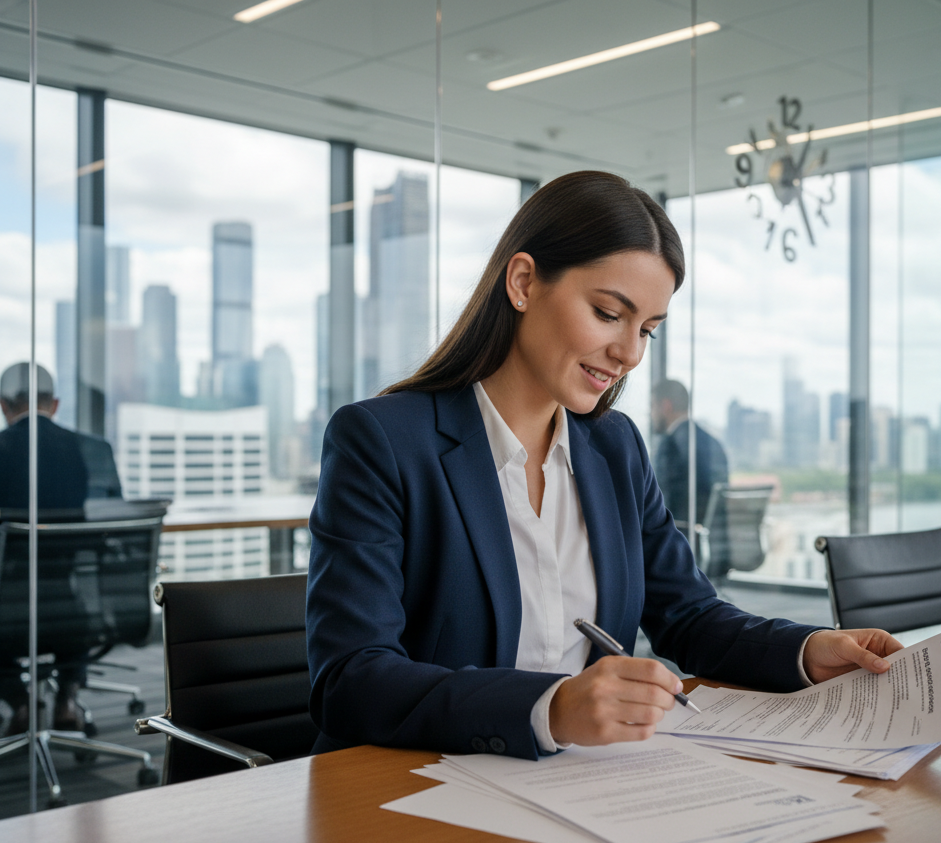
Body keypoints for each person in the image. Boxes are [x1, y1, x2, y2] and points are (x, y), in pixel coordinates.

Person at [306, 171, 901, 760]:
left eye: (647, 329)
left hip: (579, 789)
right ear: (522, 282)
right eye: (608, 313)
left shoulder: (614, 447)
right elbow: (350, 681)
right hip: (416, 792)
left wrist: (808, 649)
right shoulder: (382, 441)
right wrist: (551, 707)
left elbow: (688, 616)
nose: (630, 353)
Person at [0, 362, 123, 735]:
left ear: (4, 406)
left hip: (7, 612)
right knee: (72, 599)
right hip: (74, 609)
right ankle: (67, 697)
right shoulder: (93, 451)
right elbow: (113, 530)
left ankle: (21, 702)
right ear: (54, 404)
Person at [651, 378, 730, 575]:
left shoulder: (670, 446)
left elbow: (659, 505)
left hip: (683, 549)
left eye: (652, 407)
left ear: (665, 406)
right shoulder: (713, 443)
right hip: (718, 547)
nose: (651, 415)